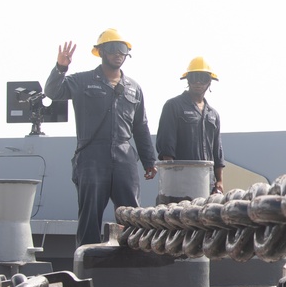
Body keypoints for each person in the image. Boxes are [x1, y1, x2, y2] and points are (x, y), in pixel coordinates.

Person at [44, 29, 157, 247]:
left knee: (131, 214)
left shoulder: (134, 88)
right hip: (91, 156)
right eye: (113, 49)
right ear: (101, 52)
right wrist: (61, 68)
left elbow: (140, 127)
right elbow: (53, 91)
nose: (118, 54)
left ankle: (132, 260)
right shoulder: (83, 80)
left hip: (125, 157)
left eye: (122, 49)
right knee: (90, 213)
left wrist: (149, 160)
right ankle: (88, 262)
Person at [155, 57, 225, 195]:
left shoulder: (213, 114)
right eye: (194, 77)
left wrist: (219, 181)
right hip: (181, 180)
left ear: (209, 81)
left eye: (202, 78)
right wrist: (172, 179)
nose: (198, 82)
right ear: (187, 80)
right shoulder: (173, 106)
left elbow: (217, 151)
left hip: (207, 181)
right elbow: (166, 146)